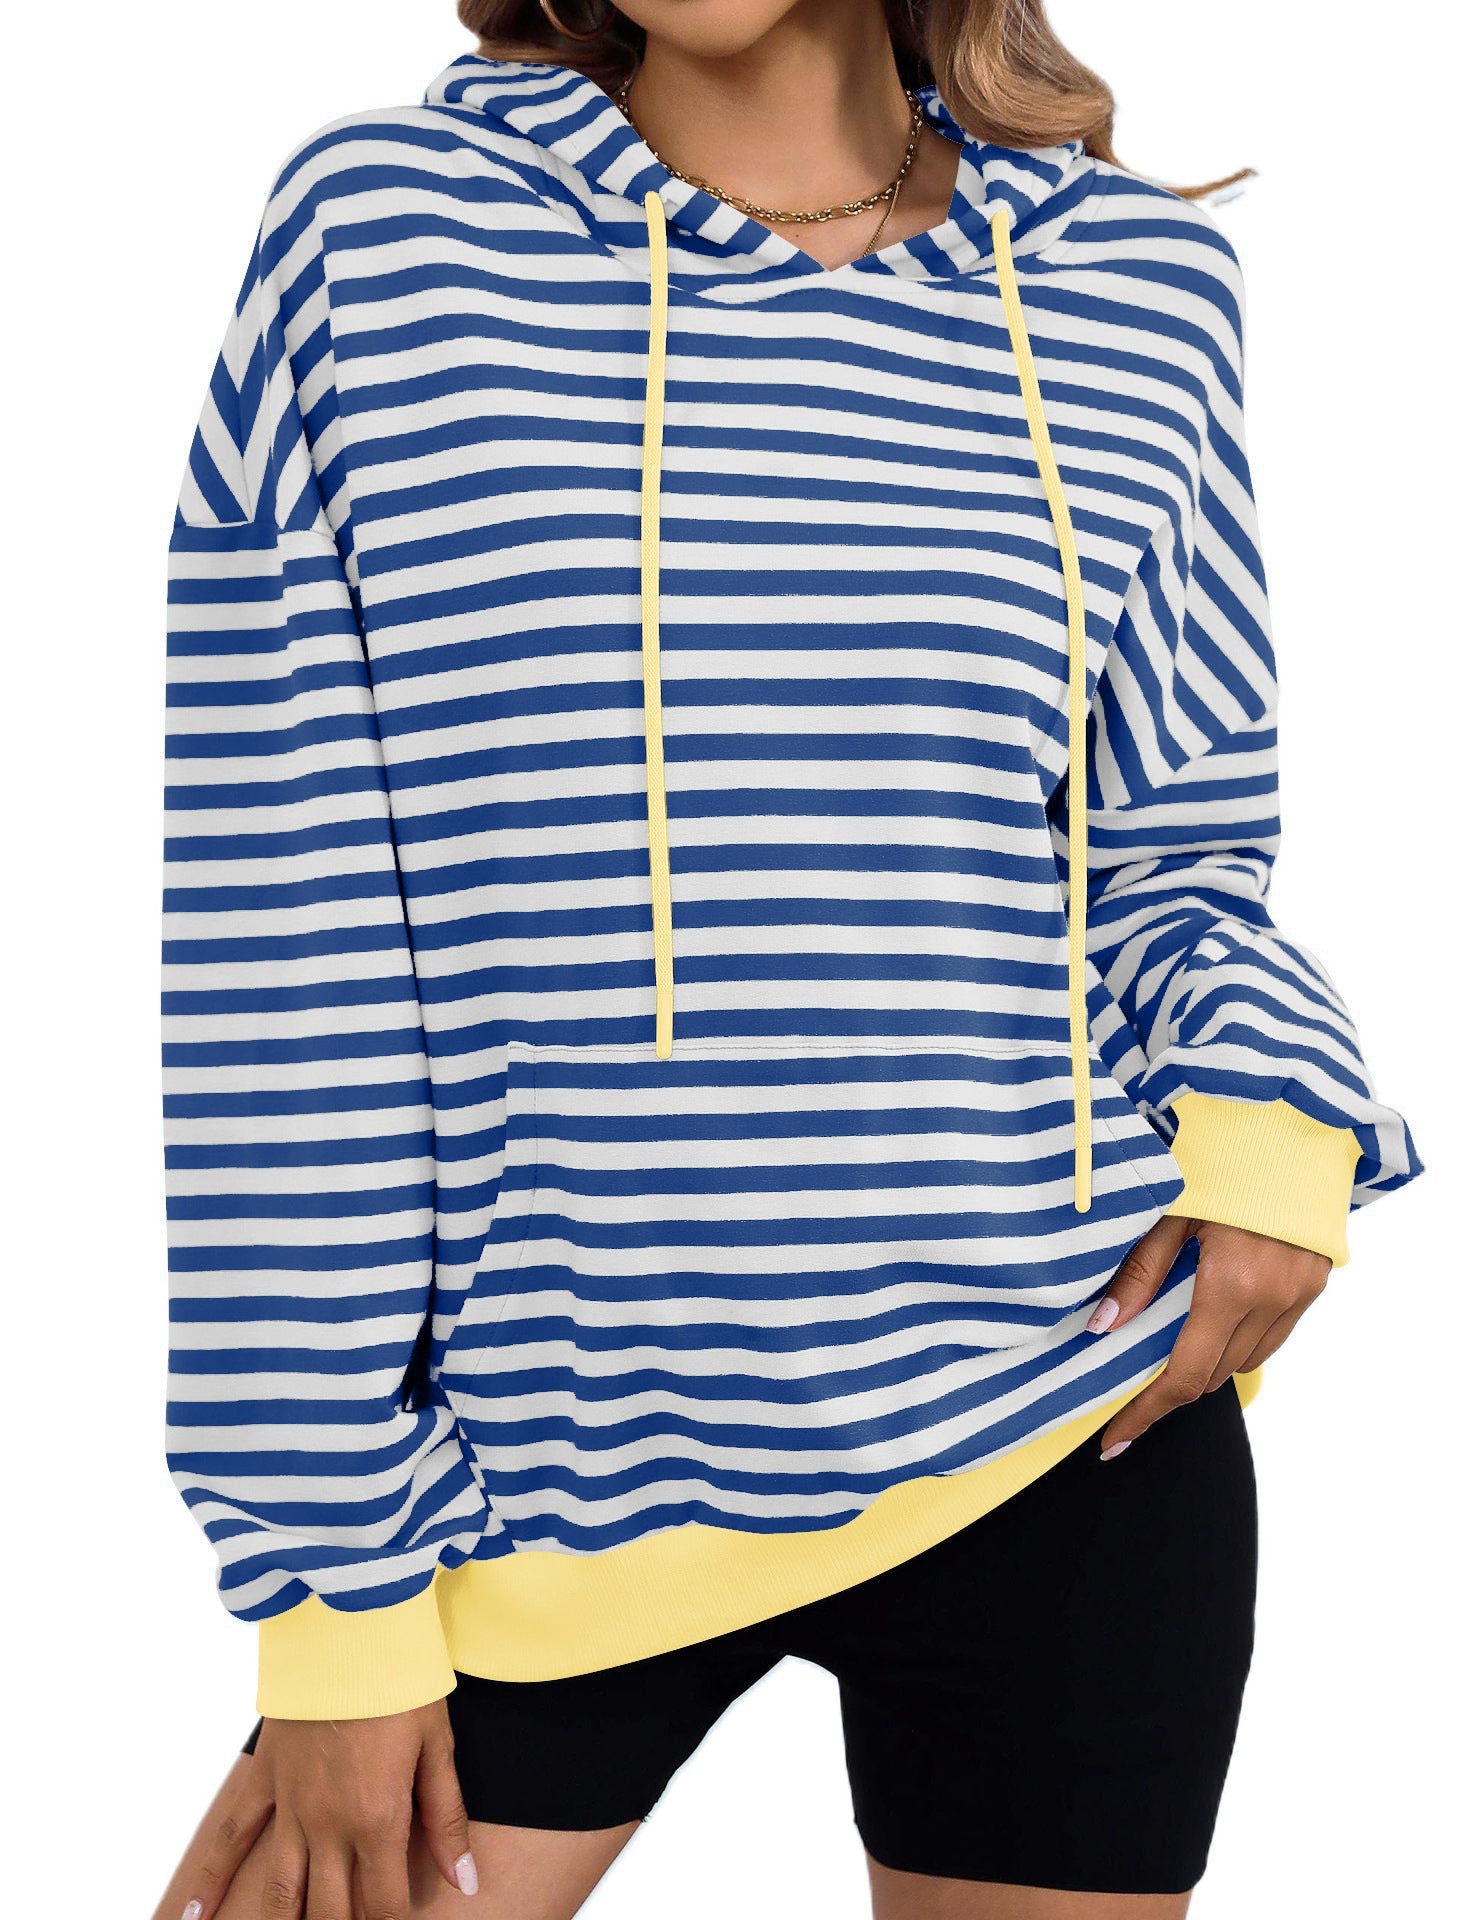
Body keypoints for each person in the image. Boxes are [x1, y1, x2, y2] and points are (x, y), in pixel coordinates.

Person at [155, 3, 1419, 1916]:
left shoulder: (1137, 288)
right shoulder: (386, 235)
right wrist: (333, 1595)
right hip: (536, 1474)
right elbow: (286, 947)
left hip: (1067, 1421)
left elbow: (1174, 854)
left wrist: (1274, 1139)